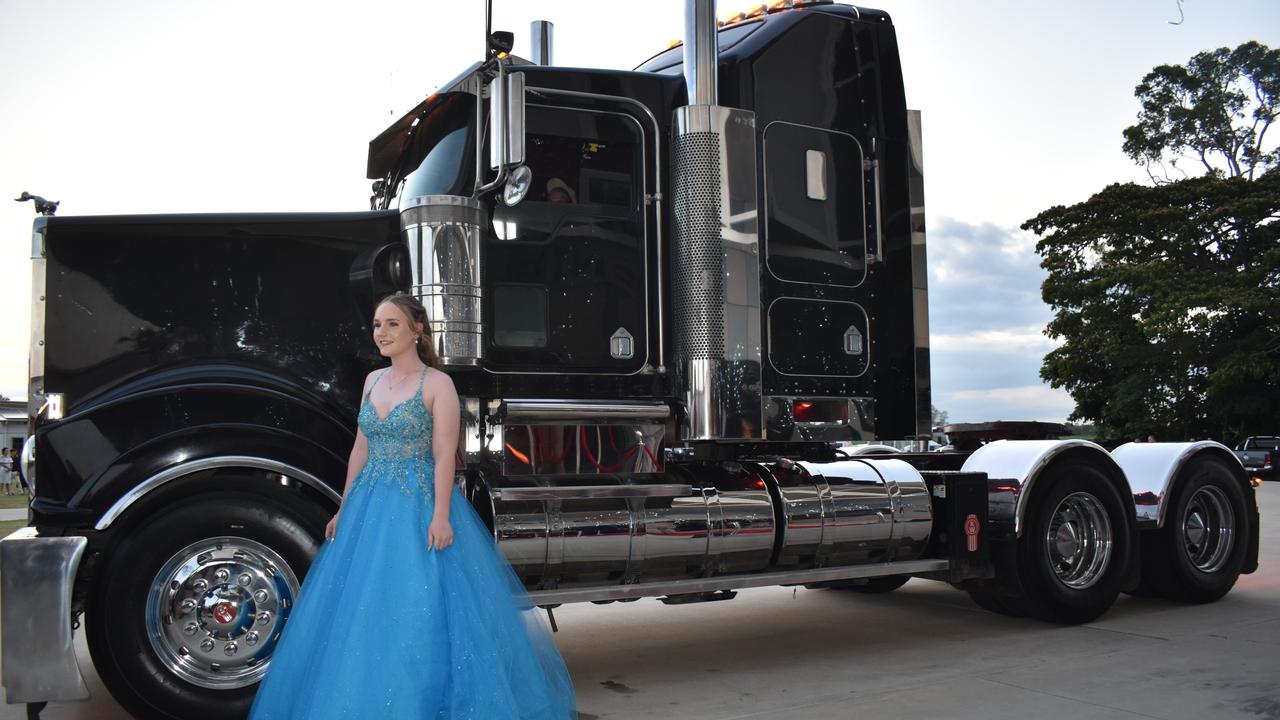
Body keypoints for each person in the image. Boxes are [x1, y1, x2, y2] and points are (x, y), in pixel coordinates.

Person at [249, 293, 576, 719]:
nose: (381, 333)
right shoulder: (372, 380)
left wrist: (441, 516)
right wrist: (344, 508)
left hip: (418, 503)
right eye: (376, 325)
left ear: (417, 331)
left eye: (392, 325)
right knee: (359, 607)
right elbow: (360, 448)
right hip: (369, 504)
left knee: (421, 605)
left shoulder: (437, 384)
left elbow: (444, 455)